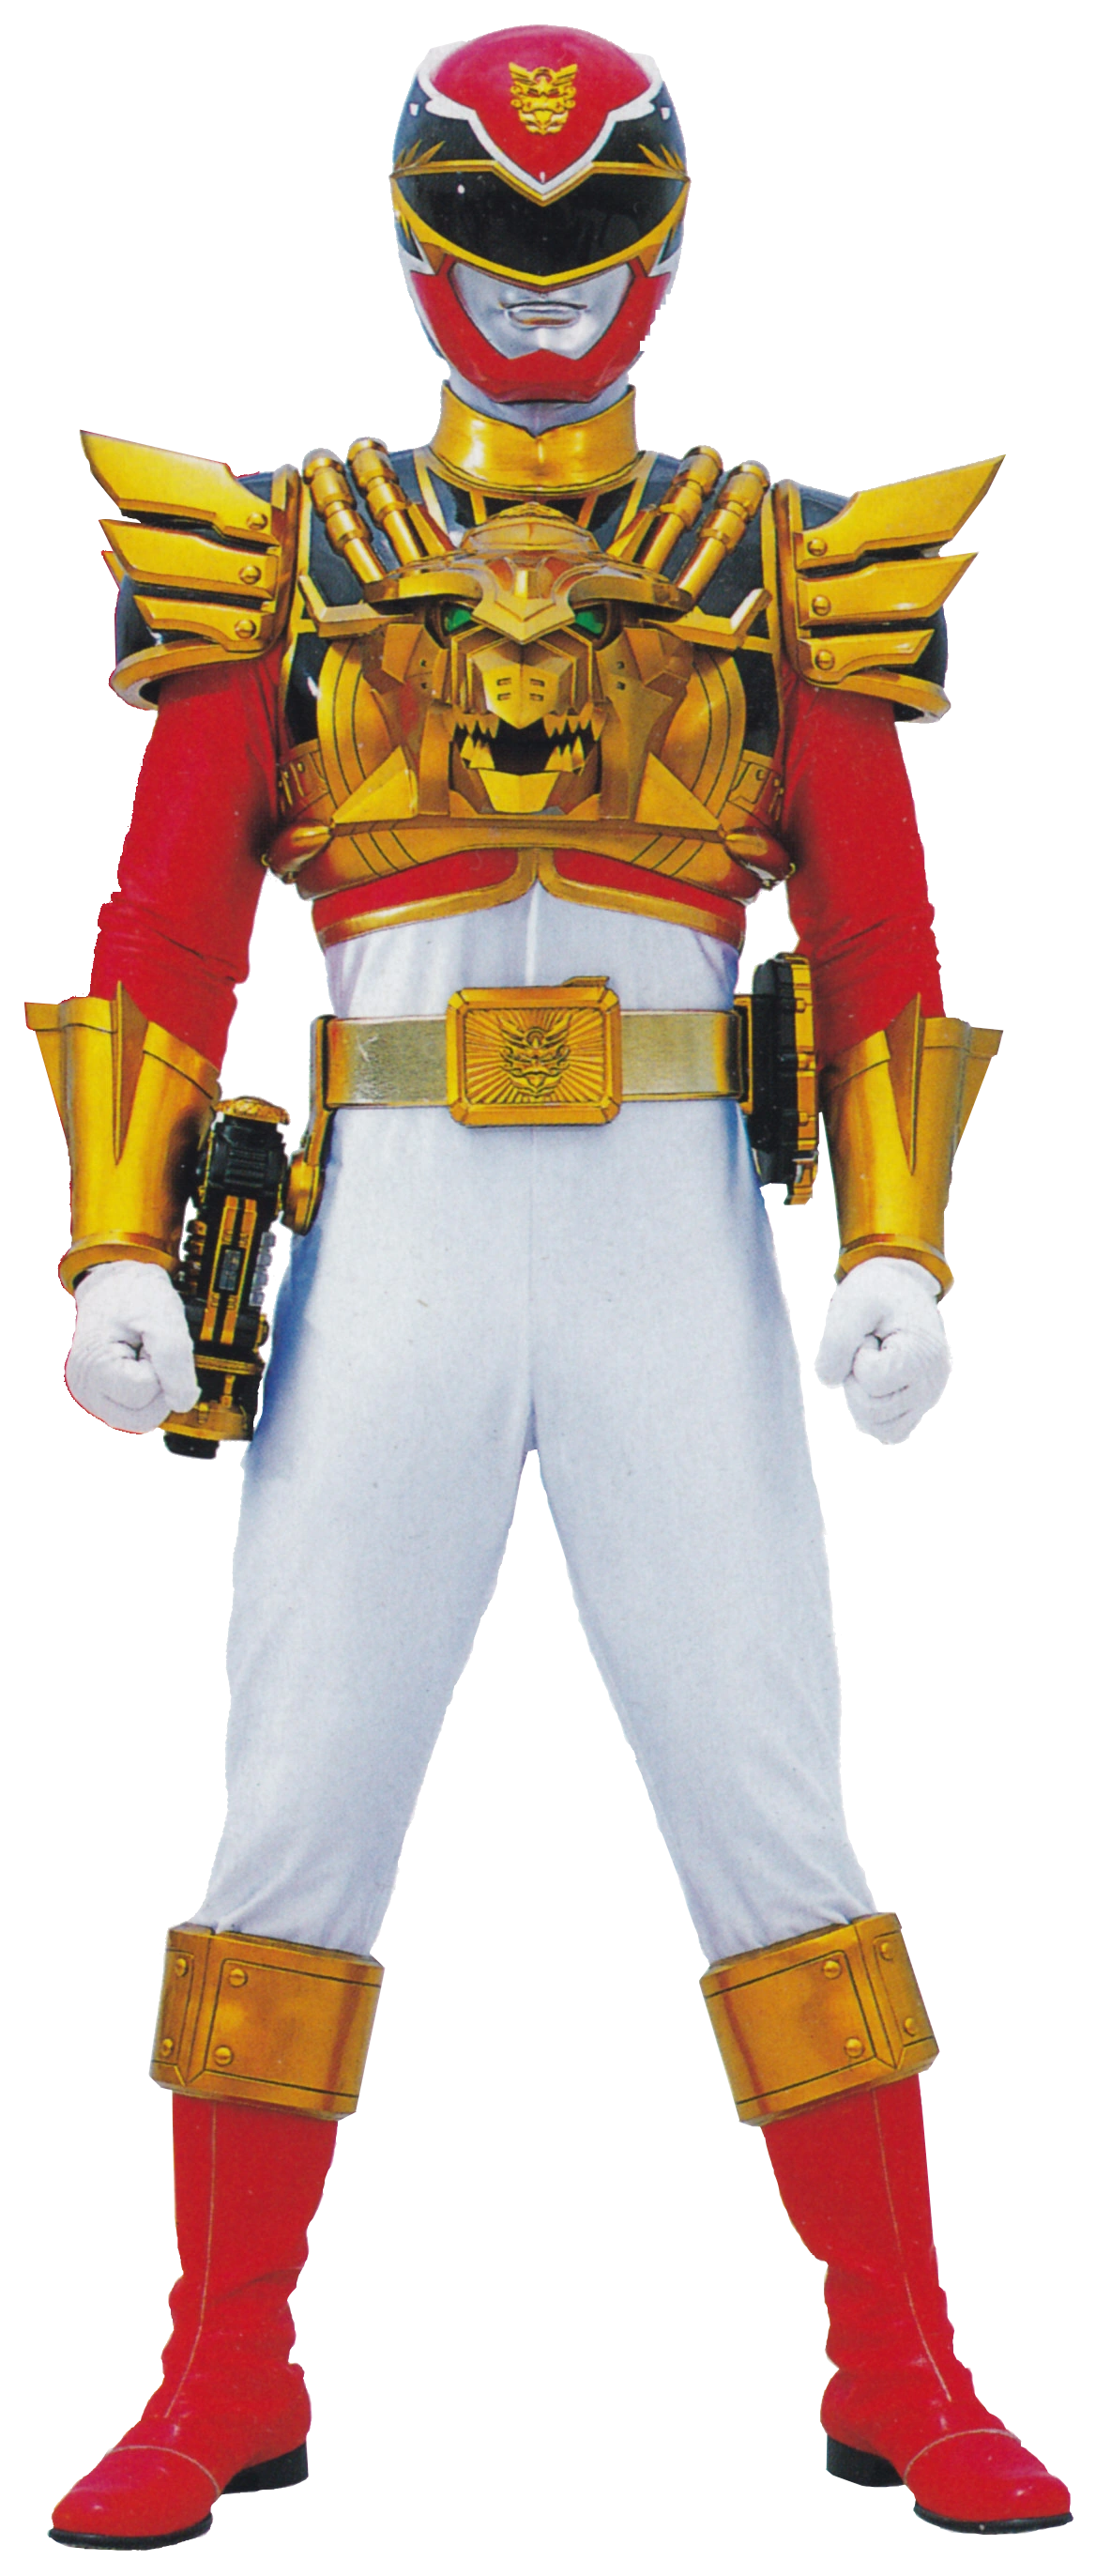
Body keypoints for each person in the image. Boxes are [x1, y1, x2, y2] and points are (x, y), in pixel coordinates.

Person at [37, 25, 1068, 2551]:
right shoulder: (287, 552)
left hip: (666, 1240)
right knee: (296, 1798)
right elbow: (170, 915)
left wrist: (901, 1234)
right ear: (412, 245)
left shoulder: (773, 560)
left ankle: (904, 2356)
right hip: (389, 1220)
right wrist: (114, 1233)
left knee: (769, 1789)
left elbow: (876, 921)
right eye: (487, 238)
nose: (533, 287)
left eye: (583, 232)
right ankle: (218, 2365)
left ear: (666, 244)